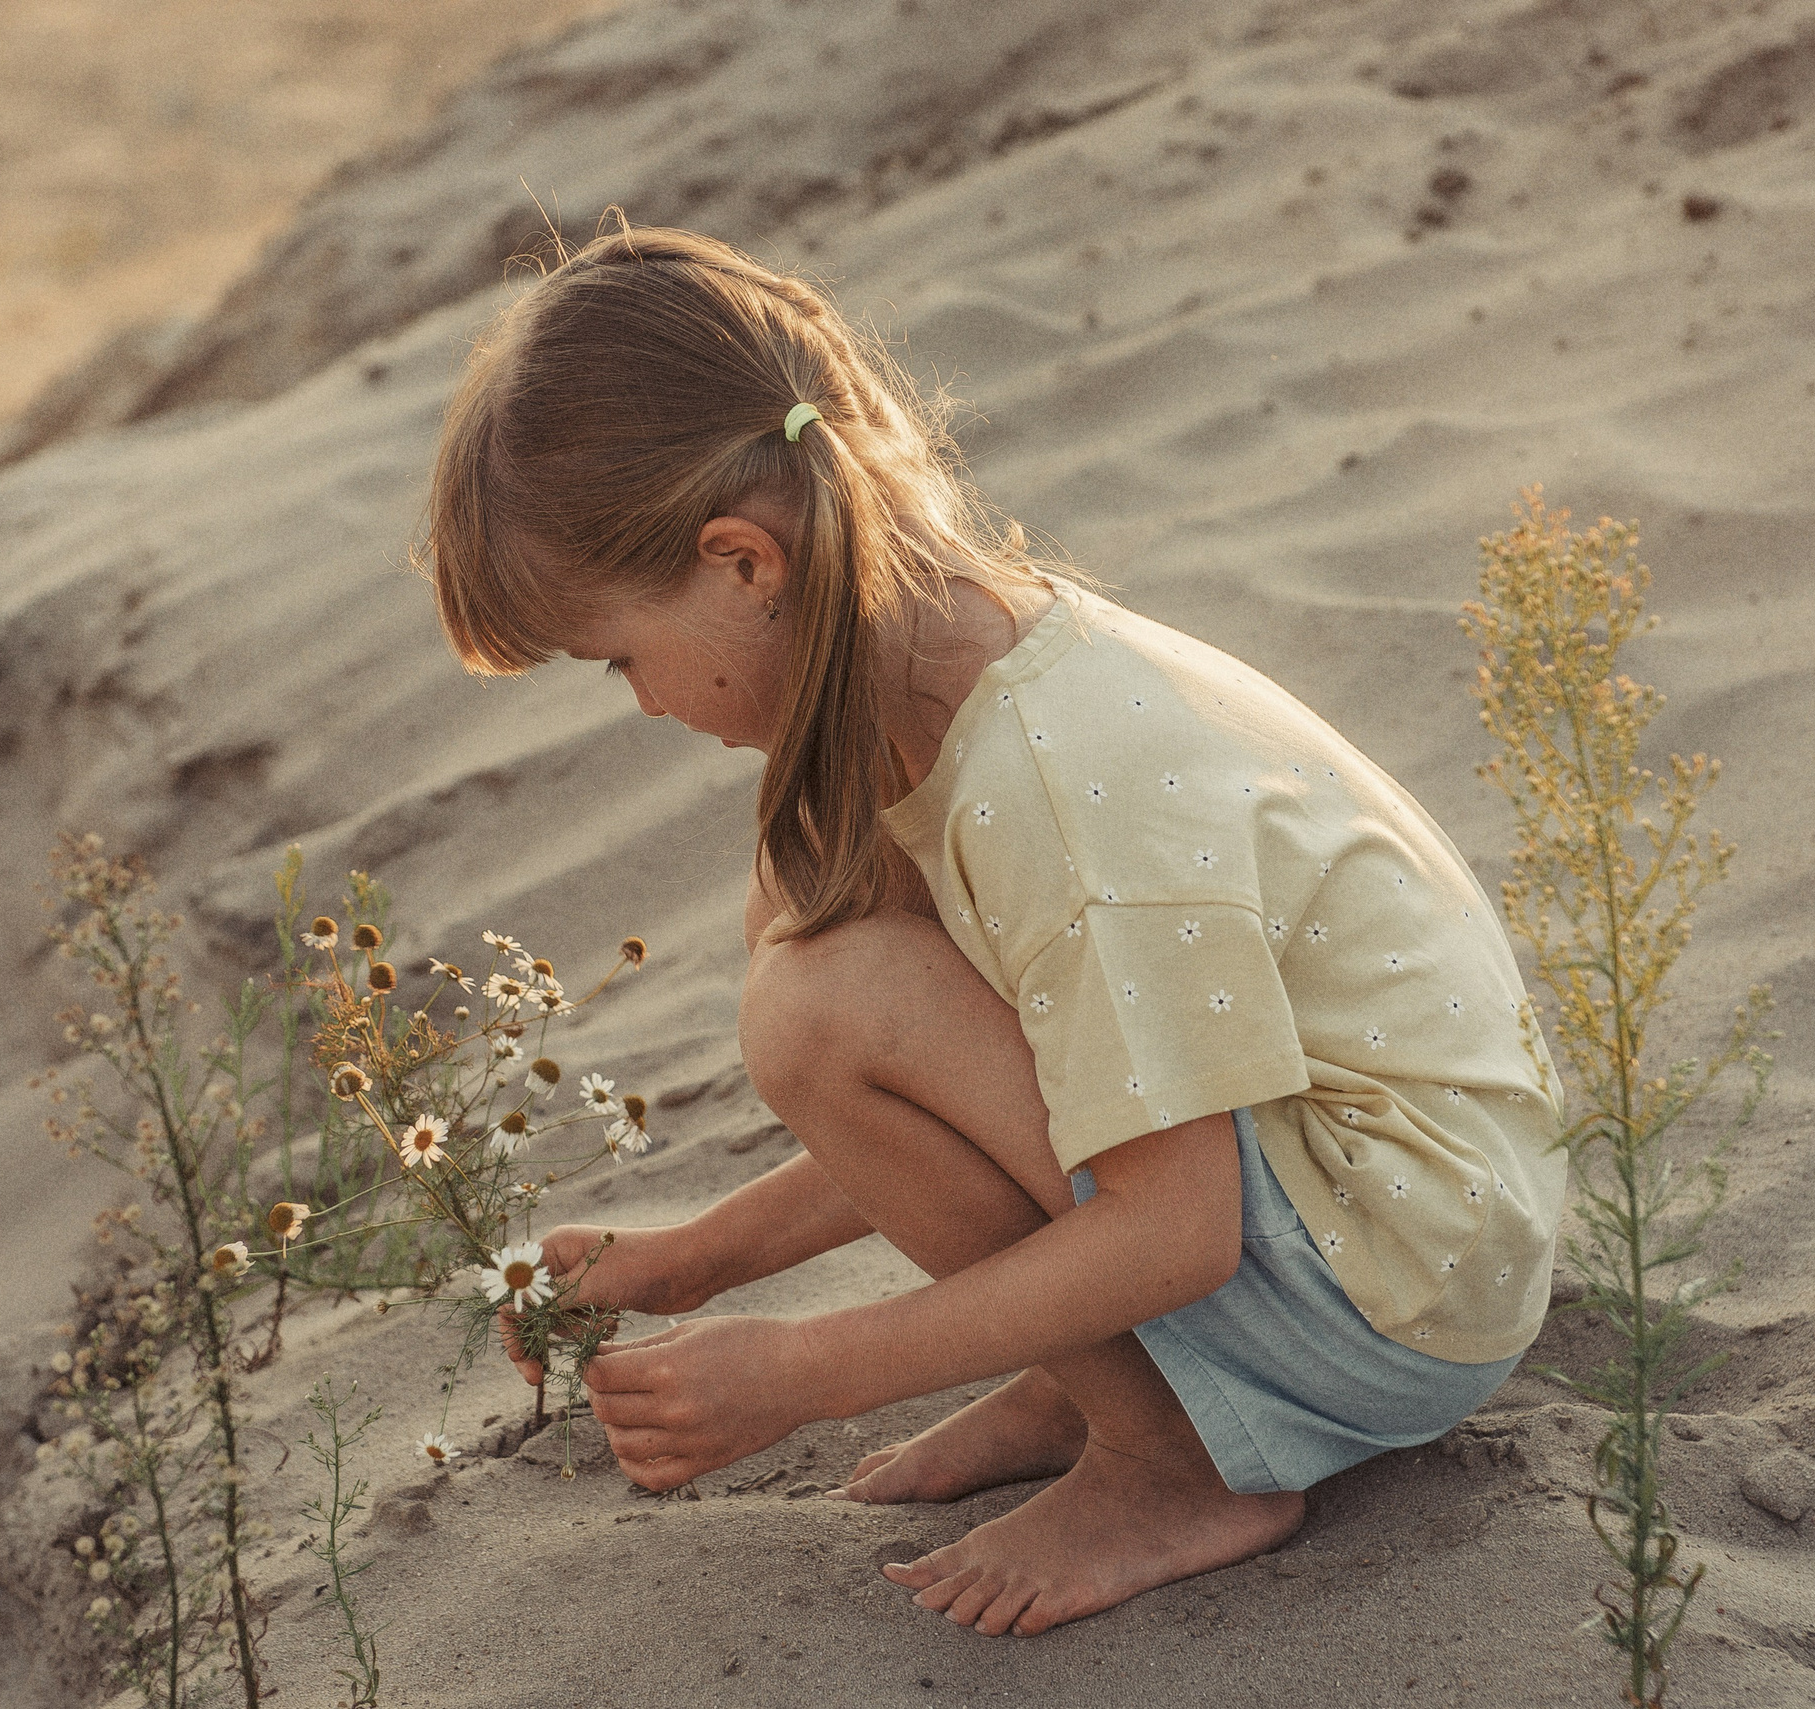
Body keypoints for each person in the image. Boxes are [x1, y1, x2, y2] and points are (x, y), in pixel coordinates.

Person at [423, 220, 1564, 1638]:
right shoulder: (935, 683)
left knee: (821, 1004)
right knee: (821, 951)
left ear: (741, 562)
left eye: (616, 658)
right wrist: (693, 1259)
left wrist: (813, 1369)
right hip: (1346, 1216)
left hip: (1400, 1284)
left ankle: (1171, 1461)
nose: (646, 703)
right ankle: (1104, 1380)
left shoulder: (1061, 785)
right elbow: (1027, 1075)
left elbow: (1178, 1228)